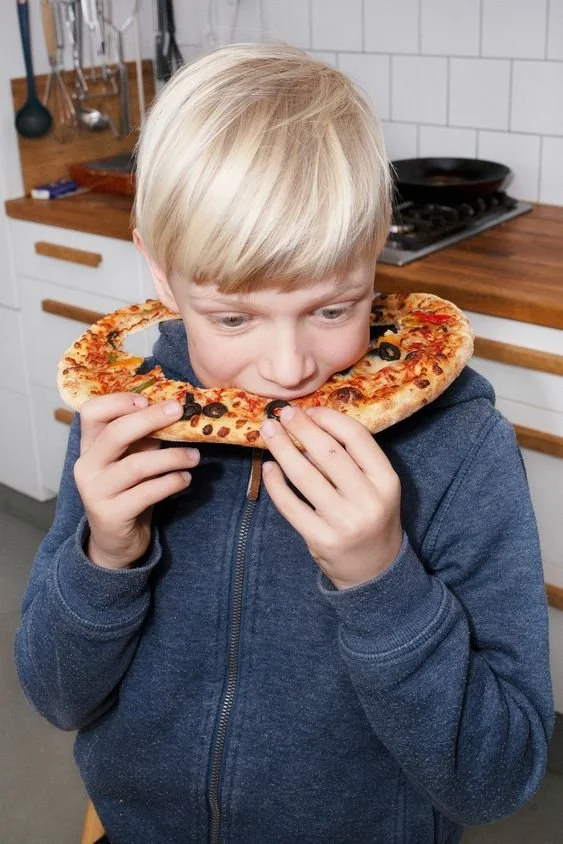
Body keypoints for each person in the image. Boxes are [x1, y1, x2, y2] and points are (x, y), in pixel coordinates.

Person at [15, 43, 553, 844]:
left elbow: (495, 777)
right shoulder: (126, 420)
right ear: (159, 273)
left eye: (333, 309)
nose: (289, 368)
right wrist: (105, 556)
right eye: (233, 318)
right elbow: (56, 697)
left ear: (375, 247)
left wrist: (381, 581)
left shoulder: (458, 444)